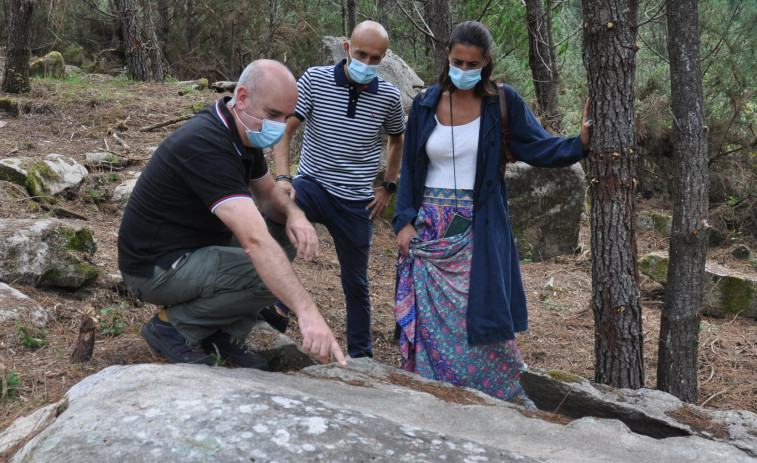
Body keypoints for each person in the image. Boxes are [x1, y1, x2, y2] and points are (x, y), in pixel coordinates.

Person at [393, 21, 591, 401]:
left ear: (486, 62)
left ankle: (498, 391)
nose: (464, 71)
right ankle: (434, 391)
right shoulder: (424, 104)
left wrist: (579, 144)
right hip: (428, 230)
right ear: (446, 58)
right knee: (434, 317)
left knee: (478, 309)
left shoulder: (502, 102)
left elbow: (538, 147)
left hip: (478, 223)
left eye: (472, 64)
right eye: (457, 62)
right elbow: (410, 171)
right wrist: (404, 222)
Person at [118, 59, 346, 370]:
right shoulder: (206, 143)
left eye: (287, 116)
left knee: (285, 235)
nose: (280, 125)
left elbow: (268, 195)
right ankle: (173, 327)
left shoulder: (243, 132)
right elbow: (254, 241)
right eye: (274, 114)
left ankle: (221, 333)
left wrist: (294, 214)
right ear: (241, 97)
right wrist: (307, 311)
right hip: (155, 267)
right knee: (266, 275)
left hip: (193, 250)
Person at [271, 20, 405, 358]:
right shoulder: (315, 79)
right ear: (347, 49)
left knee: (356, 283)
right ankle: (269, 318)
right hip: (312, 185)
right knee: (274, 224)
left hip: (357, 199)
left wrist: (388, 185)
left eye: (376, 58)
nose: (367, 63)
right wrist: (284, 178)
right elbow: (285, 131)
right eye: (361, 54)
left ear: (384, 58)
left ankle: (362, 357)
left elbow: (396, 138)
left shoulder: (388, 96)